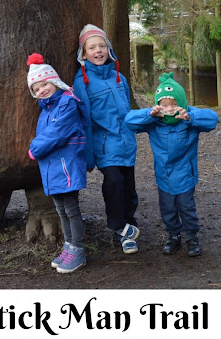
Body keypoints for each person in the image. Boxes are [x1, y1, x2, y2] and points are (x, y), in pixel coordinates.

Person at [125, 71, 218, 256]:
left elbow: (213, 119)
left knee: (186, 208)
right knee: (167, 208)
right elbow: (129, 121)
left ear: (181, 103)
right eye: (164, 105)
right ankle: (173, 235)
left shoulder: (188, 121)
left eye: (174, 104)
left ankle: (191, 237)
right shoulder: (154, 123)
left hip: (185, 175)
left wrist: (190, 115)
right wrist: (149, 114)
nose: (169, 109)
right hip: (164, 176)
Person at [72, 24, 139, 254]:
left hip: (126, 144)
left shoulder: (119, 77)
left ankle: (130, 227)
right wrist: (89, 157)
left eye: (102, 46)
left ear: (109, 49)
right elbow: (85, 121)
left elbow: (128, 110)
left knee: (129, 188)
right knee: (113, 184)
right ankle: (119, 227)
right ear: (84, 54)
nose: (98, 51)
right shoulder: (83, 82)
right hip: (104, 145)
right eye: (92, 47)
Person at [27, 53, 89, 273]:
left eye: (45, 84)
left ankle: (78, 250)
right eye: (37, 89)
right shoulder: (45, 109)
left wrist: (34, 149)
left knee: (71, 209)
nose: (42, 90)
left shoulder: (67, 103)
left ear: (54, 81)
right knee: (60, 209)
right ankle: (69, 246)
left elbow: (57, 133)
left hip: (66, 165)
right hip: (52, 167)